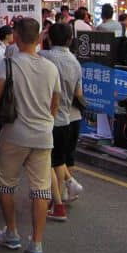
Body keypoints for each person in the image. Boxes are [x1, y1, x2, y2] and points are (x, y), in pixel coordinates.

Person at [0, 18, 61, 253]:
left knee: (6, 184)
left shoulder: (8, 66)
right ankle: (36, 244)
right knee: (40, 189)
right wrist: (45, 123)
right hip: (43, 136)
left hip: (13, 135)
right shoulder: (51, 68)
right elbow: (55, 105)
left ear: (15, 37)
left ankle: (12, 233)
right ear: (38, 39)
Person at [39, 23, 85, 211]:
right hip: (66, 118)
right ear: (70, 40)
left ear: (49, 39)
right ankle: (63, 191)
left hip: (46, 118)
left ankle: (56, 201)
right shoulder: (75, 62)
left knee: (48, 161)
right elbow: (78, 93)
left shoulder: (44, 56)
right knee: (60, 159)